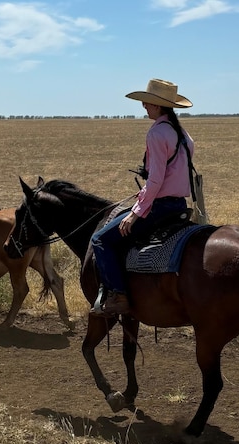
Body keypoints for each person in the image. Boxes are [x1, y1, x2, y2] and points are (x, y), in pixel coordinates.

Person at [90, 78, 195, 317]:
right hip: (178, 204)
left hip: (159, 207)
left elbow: (157, 180)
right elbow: (172, 175)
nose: (144, 107)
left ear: (158, 106)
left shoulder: (157, 133)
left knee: (100, 240)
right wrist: (146, 191)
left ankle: (119, 295)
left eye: (147, 103)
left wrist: (136, 213)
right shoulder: (184, 135)